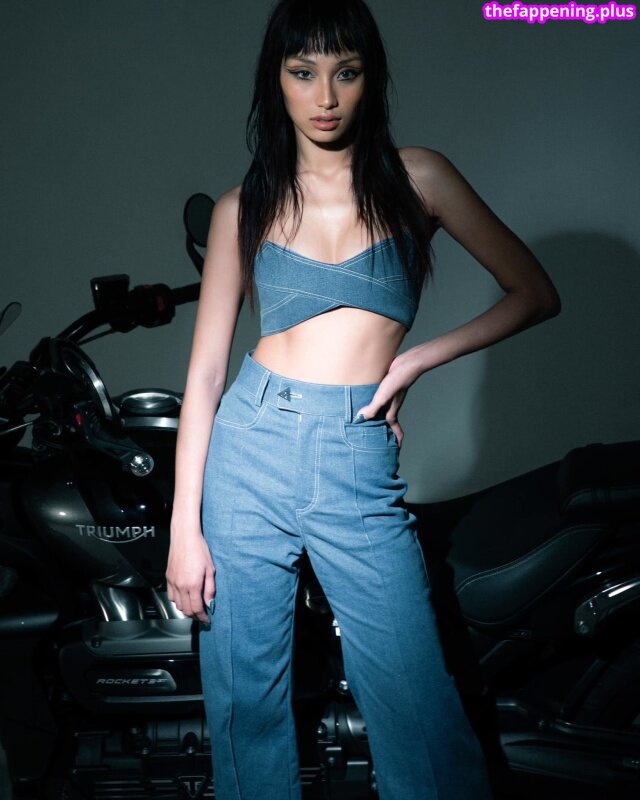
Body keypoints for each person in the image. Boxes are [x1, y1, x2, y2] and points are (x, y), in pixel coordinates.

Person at [165, 0, 561, 798]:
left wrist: (416, 361)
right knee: (245, 709)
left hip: (354, 451)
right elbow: (204, 377)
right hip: (249, 448)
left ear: (370, 78)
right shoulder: (244, 207)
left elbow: (534, 292)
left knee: (417, 705)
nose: (325, 97)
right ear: (275, 81)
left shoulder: (421, 178)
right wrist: (184, 531)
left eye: (344, 72)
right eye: (303, 72)